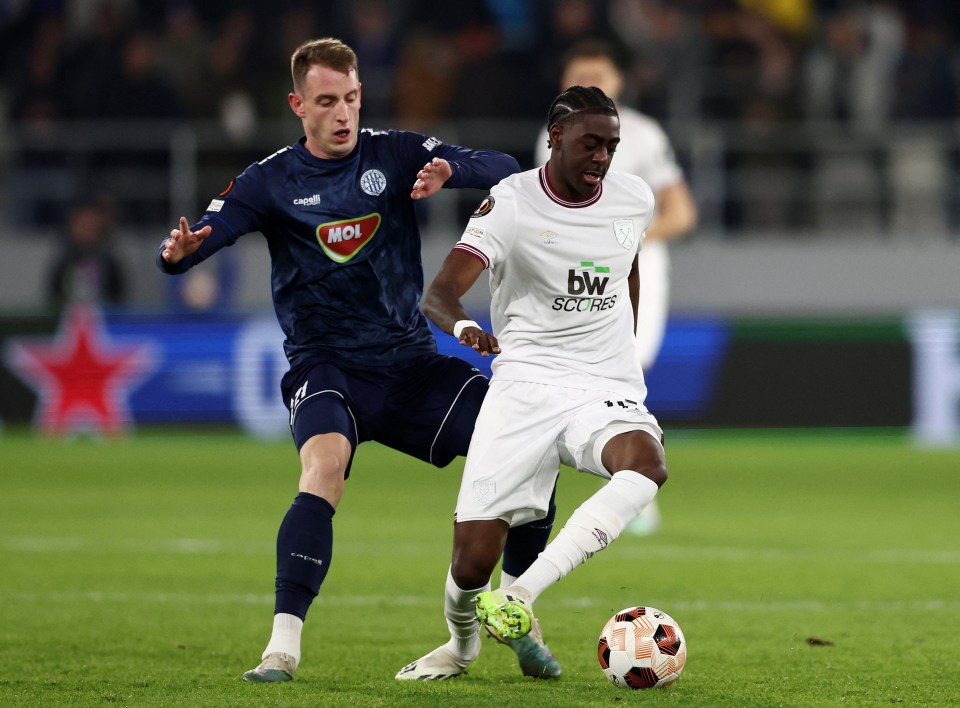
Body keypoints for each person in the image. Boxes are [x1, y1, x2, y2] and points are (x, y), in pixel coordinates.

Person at [155, 37, 559, 683]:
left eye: (350, 98)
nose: (342, 113)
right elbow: (208, 234)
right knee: (324, 468)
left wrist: (454, 171)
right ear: (298, 106)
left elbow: (506, 163)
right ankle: (281, 648)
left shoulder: (395, 153)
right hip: (327, 369)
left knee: (532, 452)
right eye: (326, 101)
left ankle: (516, 608)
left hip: (410, 366)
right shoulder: (270, 179)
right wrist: (179, 255)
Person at [396, 85, 668, 681]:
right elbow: (439, 293)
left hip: (602, 383)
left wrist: (627, 344)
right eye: (591, 144)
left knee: (645, 464)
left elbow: (629, 268)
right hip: (524, 382)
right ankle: (461, 647)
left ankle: (521, 597)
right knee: (472, 563)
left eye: (611, 146)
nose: (602, 158)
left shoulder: (632, 198)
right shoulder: (511, 202)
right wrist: (466, 327)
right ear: (557, 137)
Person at [534, 40, 696, 536]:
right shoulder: (551, 136)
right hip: (569, 273)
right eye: (579, 75)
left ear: (619, 81)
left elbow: (681, 212)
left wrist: (626, 239)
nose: (591, 83)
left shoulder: (643, 135)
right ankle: (560, 481)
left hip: (634, 269)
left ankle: (636, 485)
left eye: (599, 75)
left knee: (628, 371)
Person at [47, 198, 126, 310]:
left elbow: (118, 296)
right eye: (82, 225)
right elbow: (53, 294)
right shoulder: (64, 261)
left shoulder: (110, 262)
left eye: (90, 225)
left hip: (102, 320)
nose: (86, 230)